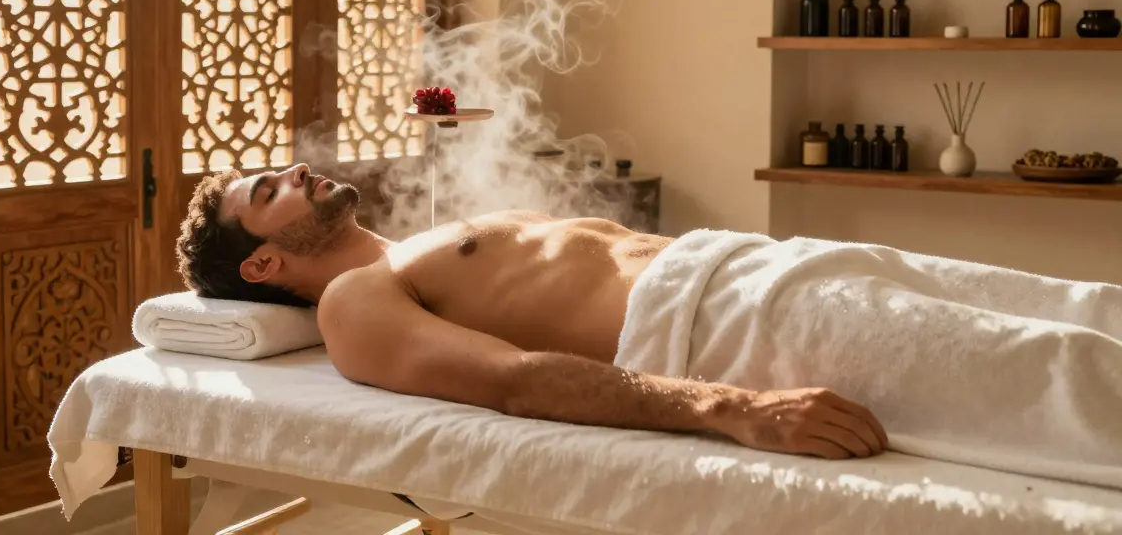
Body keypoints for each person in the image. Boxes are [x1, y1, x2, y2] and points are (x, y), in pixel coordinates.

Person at [176, 164, 892, 461]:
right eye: (271, 192)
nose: (297, 171)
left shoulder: (416, 248)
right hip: (734, 319)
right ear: (263, 264)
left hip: (764, 265)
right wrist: (732, 409)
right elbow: (513, 379)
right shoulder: (352, 301)